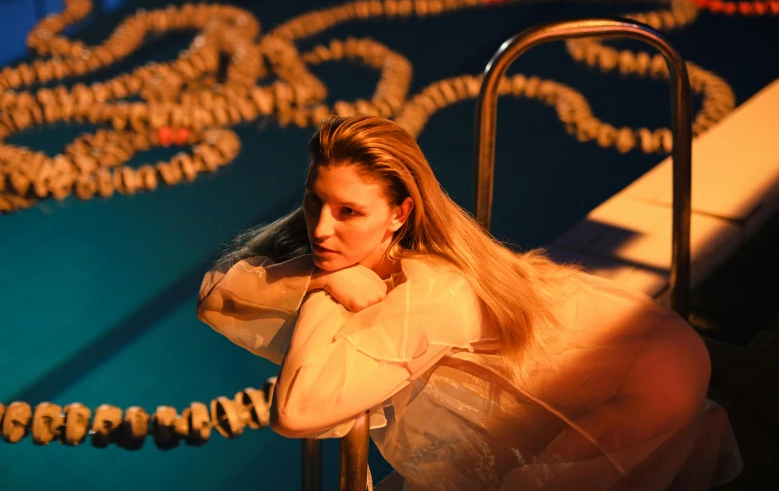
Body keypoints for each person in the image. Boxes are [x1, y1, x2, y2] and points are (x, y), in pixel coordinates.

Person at [196, 115, 742, 490]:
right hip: (620, 350)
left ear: (400, 214)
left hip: (649, 375)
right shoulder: (354, 241)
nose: (320, 227)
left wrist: (321, 280)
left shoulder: (434, 288)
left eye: (347, 212)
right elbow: (217, 293)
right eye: (314, 200)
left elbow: (293, 414)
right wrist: (315, 279)